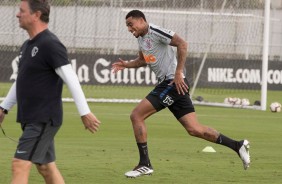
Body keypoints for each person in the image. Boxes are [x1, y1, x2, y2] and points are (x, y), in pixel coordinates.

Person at [112, 9, 250, 178]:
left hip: (172, 82)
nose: (129, 29)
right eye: (127, 26)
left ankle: (144, 164)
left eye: (130, 24)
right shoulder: (141, 39)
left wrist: (178, 73)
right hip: (174, 85)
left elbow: (182, 44)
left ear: (141, 20)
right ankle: (238, 145)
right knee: (194, 129)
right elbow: (142, 60)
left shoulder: (155, 31)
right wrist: (126, 64)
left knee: (136, 116)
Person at [0, 0, 101, 183]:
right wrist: (4, 108)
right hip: (31, 117)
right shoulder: (27, 45)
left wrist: (84, 112)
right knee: (46, 167)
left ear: (36, 15)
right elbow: (22, 80)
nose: (17, 14)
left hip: (43, 119)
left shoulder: (50, 44)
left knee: (19, 164)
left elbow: (71, 78)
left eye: (21, 11)